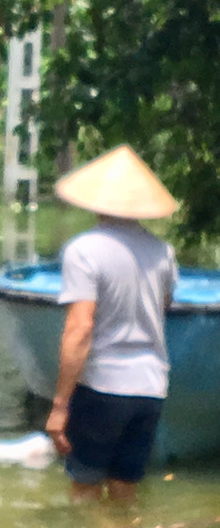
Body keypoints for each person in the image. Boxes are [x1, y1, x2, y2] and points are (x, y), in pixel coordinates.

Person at [45, 144, 179, 505]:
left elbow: (80, 328)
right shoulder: (163, 252)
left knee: (84, 492)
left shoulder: (84, 249)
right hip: (150, 388)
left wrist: (59, 406)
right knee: (125, 490)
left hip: (103, 386)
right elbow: (163, 307)